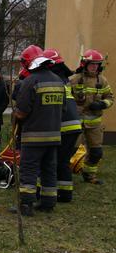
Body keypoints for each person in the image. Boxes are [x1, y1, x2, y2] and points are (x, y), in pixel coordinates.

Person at [14, 46, 64, 216]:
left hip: (33, 137)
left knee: (29, 169)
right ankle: (48, 203)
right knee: (49, 169)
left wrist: (16, 115)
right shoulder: (58, 81)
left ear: (28, 62)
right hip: (54, 136)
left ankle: (26, 205)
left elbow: (22, 111)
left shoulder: (30, 81)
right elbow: (63, 109)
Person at [69, 49, 113, 185]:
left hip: (94, 124)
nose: (94, 67)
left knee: (96, 152)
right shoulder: (74, 80)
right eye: (92, 64)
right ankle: (62, 174)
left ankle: (89, 175)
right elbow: (66, 99)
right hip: (75, 122)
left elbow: (110, 98)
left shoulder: (103, 81)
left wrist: (101, 104)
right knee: (70, 150)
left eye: (97, 64)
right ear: (85, 64)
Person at [46, 49, 82, 202]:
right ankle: (65, 193)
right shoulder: (63, 79)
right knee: (64, 161)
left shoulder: (53, 79)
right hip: (74, 126)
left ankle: (52, 193)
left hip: (64, 126)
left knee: (55, 160)